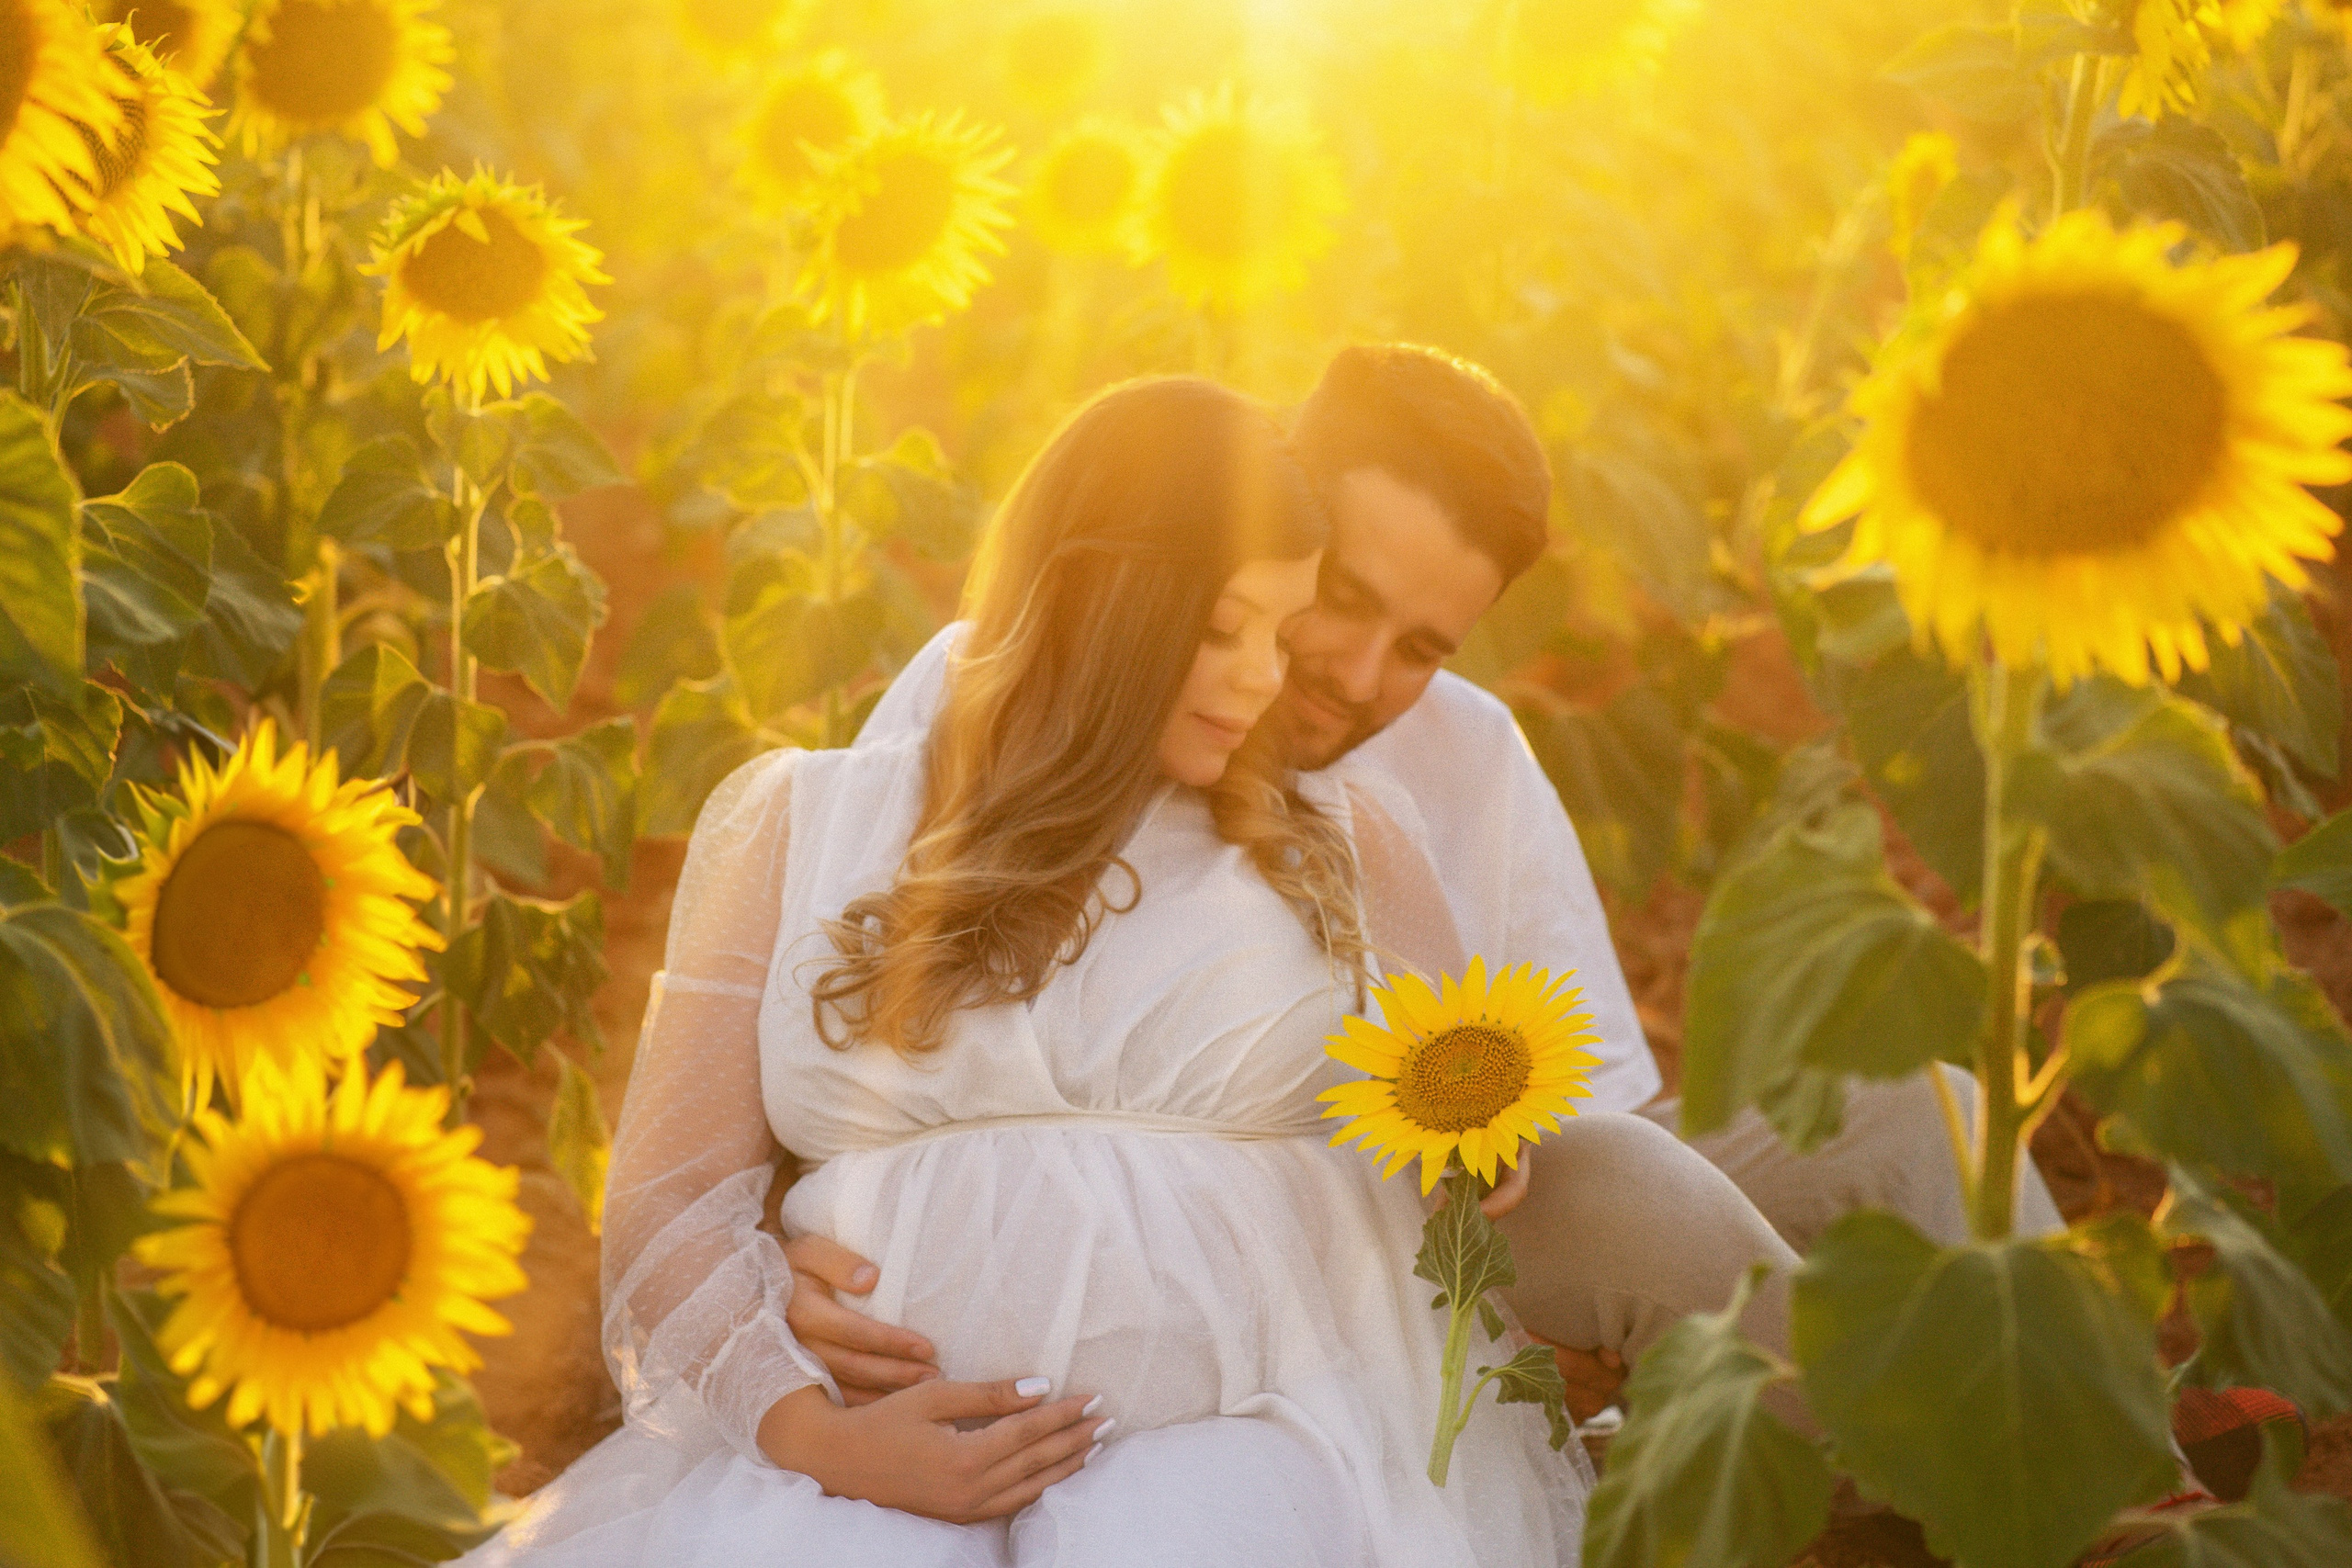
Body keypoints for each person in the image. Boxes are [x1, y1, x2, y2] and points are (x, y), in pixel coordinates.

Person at [824, 344, 2064, 1428]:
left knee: (1926, 1111)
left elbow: (1585, 1119)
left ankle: (2125, 1466)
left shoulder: (1460, 756)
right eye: (1345, 599)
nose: (1360, 679)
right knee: (1642, 1213)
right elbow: (841, 1011)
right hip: (1230, 1284)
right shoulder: (1035, 698)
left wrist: (1507, 1173)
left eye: (1422, 646)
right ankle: (1965, 1461)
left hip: (1455, 1235)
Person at [467, 377, 1590, 1568]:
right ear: (1100, 607)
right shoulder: (800, 823)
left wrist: (1485, 1145)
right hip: (866, 1460)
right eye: (1222, 630)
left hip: (1250, 1453)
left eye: (1278, 628)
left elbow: (1467, 1122)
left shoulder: (1348, 841)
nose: (1271, 675)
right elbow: (668, 1202)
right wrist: (813, 1433)